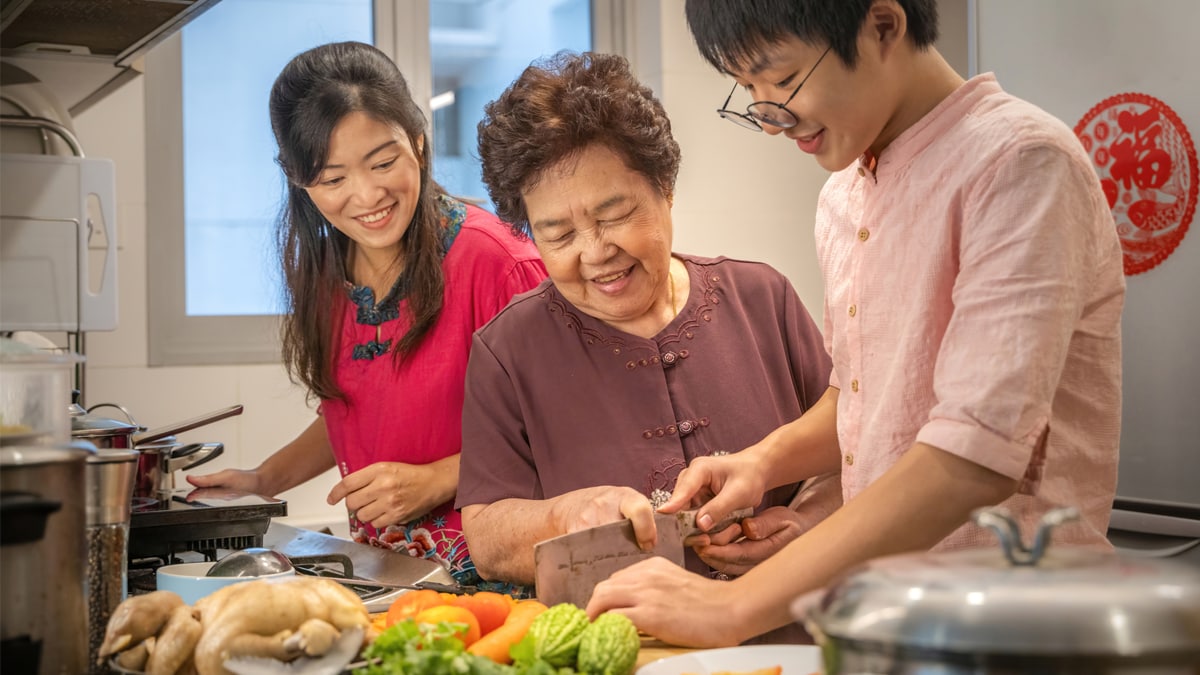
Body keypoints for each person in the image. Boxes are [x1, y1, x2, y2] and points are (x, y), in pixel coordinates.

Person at [586, 0, 1125, 646]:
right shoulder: (843, 194)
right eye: (749, 89)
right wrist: (764, 459)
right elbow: (865, 396)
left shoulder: (1021, 164)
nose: (769, 118)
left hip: (1017, 629)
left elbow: (974, 456)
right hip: (886, 624)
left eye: (782, 81)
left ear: (883, 25)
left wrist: (728, 607)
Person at [455, 51, 837, 595]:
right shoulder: (507, 351)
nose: (595, 252)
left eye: (614, 215)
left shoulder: (761, 298)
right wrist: (565, 515)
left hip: (789, 628)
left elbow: (850, 449)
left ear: (666, 188)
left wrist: (807, 523)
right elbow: (488, 538)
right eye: (558, 235)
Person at [187, 41, 547, 588]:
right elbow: (353, 412)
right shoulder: (330, 275)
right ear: (298, 180)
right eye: (332, 180)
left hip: (500, 579)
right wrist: (263, 479)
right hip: (391, 577)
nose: (366, 195)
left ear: (419, 144)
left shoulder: (496, 260)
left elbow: (562, 428)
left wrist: (436, 479)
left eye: (383, 162)